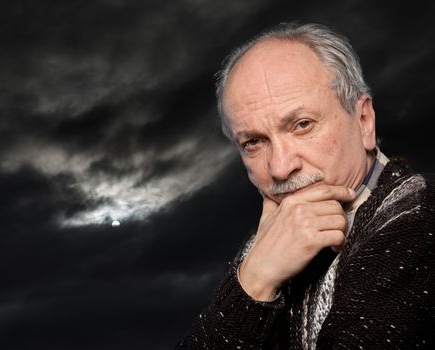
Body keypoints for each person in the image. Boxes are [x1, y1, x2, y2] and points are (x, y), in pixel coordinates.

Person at [177, 22, 434, 349]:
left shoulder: (419, 224)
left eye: (302, 125)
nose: (281, 167)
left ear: (364, 122)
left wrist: (253, 285)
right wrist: (254, 282)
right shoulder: (268, 247)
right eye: (254, 142)